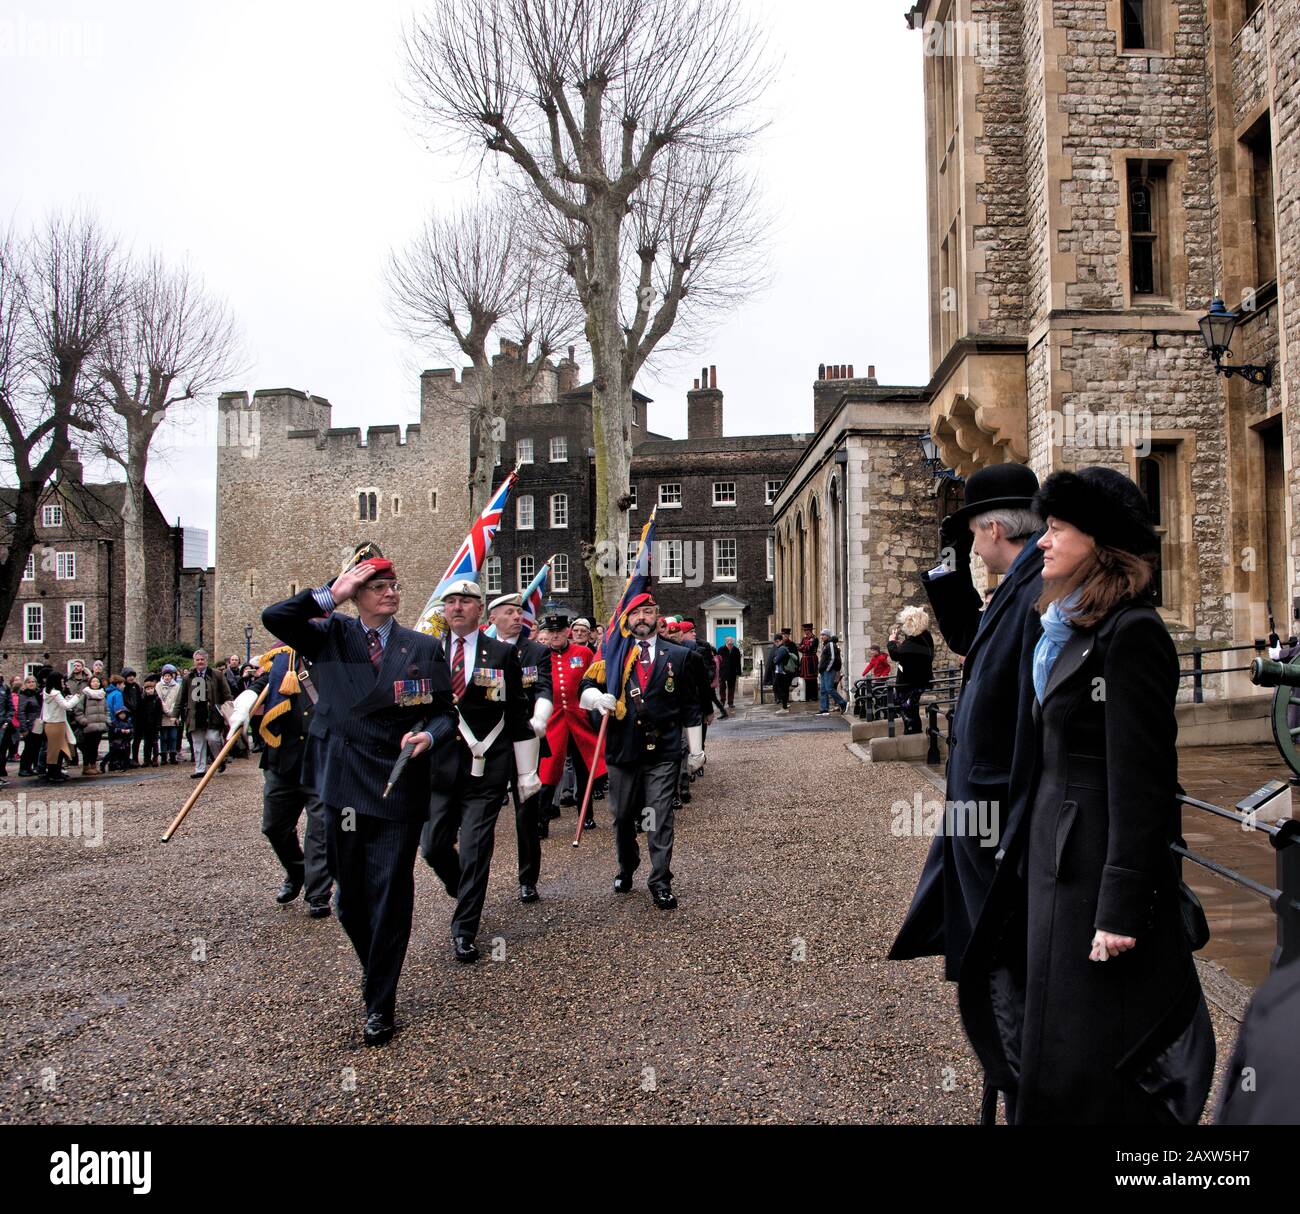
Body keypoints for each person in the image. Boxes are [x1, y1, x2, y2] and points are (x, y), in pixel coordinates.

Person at [959, 466, 1215, 1125]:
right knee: (1049, 1044)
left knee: (1089, 1057)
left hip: (1093, 873)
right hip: (1049, 860)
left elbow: (1145, 781)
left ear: (1098, 543)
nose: (1043, 541)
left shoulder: (1132, 635)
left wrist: (1122, 908)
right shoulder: (1066, 629)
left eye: (1059, 528)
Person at [263, 557, 456, 1047]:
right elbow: (276, 619)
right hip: (344, 784)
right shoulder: (330, 635)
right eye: (376, 586)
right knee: (350, 902)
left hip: (397, 783)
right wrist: (332, 592)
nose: (388, 592)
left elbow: (443, 716)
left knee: (391, 891)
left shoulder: (424, 646)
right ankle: (376, 970)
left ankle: (380, 1000)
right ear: (355, 593)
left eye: (393, 585)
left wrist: (428, 739)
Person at [890, 462, 1044, 988]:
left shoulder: (1036, 594)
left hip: (996, 803)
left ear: (995, 528)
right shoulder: (1013, 588)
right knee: (979, 943)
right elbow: (966, 636)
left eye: (977, 534)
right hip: (979, 802)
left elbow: (1035, 714)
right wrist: (948, 554)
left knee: (998, 961)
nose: (975, 549)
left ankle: (1015, 1067)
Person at [420, 580, 538, 964]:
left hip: (486, 769)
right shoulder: (426, 651)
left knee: (475, 848)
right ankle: (463, 889)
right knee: (433, 846)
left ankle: (465, 928)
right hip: (438, 769)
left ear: (478, 609)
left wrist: (526, 772)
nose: (457, 608)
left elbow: (518, 714)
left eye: (465, 602)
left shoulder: (501, 654)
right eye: (450, 602)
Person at [580, 591, 703, 909]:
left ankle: (660, 880)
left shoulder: (678, 656)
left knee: (658, 816)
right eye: (636, 613)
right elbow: (585, 687)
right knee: (622, 816)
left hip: (663, 749)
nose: (642, 618)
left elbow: (690, 705)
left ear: (657, 616)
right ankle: (627, 865)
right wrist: (597, 699)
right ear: (627, 619)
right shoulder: (612, 653)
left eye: (648, 612)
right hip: (624, 749)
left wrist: (696, 750)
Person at [252, 646, 333, 918]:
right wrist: (243, 703)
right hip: (283, 760)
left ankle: (318, 893)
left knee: (320, 830)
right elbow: (260, 685)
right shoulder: (281, 659)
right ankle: (297, 870)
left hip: (321, 759)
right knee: (274, 827)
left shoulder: (334, 654)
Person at [486, 592, 555, 903]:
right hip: (488, 744)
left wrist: (542, 713)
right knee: (482, 812)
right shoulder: (483, 651)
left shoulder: (536, 652)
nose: (517, 617)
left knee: (527, 812)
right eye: (509, 612)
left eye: (519, 612)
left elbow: (543, 685)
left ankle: (528, 877)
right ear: (493, 618)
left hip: (526, 740)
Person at [537, 612, 606, 832]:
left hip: (579, 719)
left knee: (584, 770)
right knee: (547, 773)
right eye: (551, 632)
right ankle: (542, 820)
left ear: (568, 631)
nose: (555, 635)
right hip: (554, 720)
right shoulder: (540, 655)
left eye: (559, 631)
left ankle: (586, 815)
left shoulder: (583, 652)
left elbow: (593, 680)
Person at [178, 650, 231, 779]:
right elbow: (181, 697)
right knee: (198, 743)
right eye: (197, 659)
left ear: (206, 660)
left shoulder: (217, 675)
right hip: (195, 715)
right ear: (194, 661)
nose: (200, 662)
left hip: (213, 714)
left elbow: (226, 694)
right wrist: (176, 714)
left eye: (202, 659)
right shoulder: (188, 677)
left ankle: (219, 760)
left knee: (213, 739)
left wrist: (228, 712)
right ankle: (200, 769)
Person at [887, 607, 934, 734]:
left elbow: (896, 655)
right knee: (912, 708)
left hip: (909, 683)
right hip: (920, 680)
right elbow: (907, 651)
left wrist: (891, 641)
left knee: (907, 710)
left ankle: (912, 731)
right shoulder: (925, 636)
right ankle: (914, 729)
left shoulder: (913, 642)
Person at [41, 672, 82, 783]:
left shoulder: (47, 691)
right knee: (57, 751)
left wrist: (68, 699)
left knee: (57, 750)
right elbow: (66, 706)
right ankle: (54, 773)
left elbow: (60, 706)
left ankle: (56, 772)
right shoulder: (56, 693)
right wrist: (76, 698)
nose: (63, 682)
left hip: (51, 723)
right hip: (57, 724)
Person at [816, 628, 848, 715]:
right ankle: (824, 709)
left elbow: (832, 658)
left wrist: (827, 669)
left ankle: (843, 703)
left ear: (828, 636)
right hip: (823, 671)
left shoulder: (830, 644)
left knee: (829, 688)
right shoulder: (825, 645)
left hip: (829, 670)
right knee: (823, 690)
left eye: (824, 635)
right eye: (821, 635)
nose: (822, 637)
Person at [79, 675, 107, 774]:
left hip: (99, 725)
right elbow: (78, 709)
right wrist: (83, 720)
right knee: (87, 747)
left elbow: (106, 709)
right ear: (90, 683)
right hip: (88, 725)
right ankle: (86, 767)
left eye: (97, 682)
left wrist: (106, 720)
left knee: (95, 747)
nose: (95, 683)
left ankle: (93, 765)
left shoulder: (102, 695)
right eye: (93, 681)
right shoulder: (85, 695)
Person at [16, 675, 42, 777]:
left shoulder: (37, 694)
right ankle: (23, 768)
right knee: (28, 748)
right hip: (29, 725)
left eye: (33, 682)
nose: (31, 684)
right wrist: (24, 728)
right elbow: (21, 712)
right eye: (29, 682)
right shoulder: (23, 695)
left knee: (36, 748)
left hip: (38, 724)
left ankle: (30, 768)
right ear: (25, 684)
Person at [157, 665, 182, 764]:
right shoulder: (158, 686)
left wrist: (172, 711)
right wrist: (166, 711)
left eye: (169, 676)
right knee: (164, 737)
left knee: (173, 736)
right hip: (163, 715)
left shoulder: (177, 686)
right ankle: (163, 756)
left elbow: (177, 700)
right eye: (165, 676)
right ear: (163, 677)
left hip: (173, 715)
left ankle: (172, 755)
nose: (167, 678)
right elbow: (159, 700)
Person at [136, 677, 162, 767]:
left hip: (154, 724)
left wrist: (158, 724)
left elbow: (159, 713)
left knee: (154, 743)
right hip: (145, 724)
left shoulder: (157, 699)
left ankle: (155, 758)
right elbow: (141, 712)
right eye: (147, 689)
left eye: (151, 688)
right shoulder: (143, 699)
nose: (149, 690)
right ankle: (146, 759)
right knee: (147, 743)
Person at [105, 707, 134, 772]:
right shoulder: (115, 722)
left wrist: (129, 731)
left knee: (125, 753)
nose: (123, 715)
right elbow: (112, 730)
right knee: (113, 754)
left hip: (125, 741)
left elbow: (132, 730)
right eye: (121, 714)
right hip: (117, 741)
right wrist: (121, 730)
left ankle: (124, 765)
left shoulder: (128, 722)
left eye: (124, 714)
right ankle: (112, 764)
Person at [770, 634, 793, 713]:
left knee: (779, 689)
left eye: (777, 641)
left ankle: (784, 708)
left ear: (780, 641)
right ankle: (785, 704)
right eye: (775, 642)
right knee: (783, 689)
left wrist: (775, 659)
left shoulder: (782, 649)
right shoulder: (783, 648)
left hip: (781, 672)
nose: (776, 643)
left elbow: (776, 661)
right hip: (783, 672)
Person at [718, 636, 742, 709]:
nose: (731, 646)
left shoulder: (736, 650)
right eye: (729, 644)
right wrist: (717, 671)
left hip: (732, 671)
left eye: (732, 644)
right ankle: (722, 701)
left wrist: (739, 672)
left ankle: (730, 702)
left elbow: (738, 662)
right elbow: (718, 661)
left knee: (731, 687)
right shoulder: (721, 649)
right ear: (726, 643)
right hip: (723, 671)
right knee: (722, 686)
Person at [797, 624, 819, 703]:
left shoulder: (815, 638)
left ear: (810, 630)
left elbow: (810, 648)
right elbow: (799, 648)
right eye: (804, 630)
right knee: (805, 679)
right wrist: (804, 647)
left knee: (812, 678)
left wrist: (804, 647)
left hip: (811, 660)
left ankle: (814, 696)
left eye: (806, 630)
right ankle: (807, 696)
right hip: (805, 659)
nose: (805, 632)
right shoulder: (804, 638)